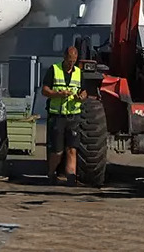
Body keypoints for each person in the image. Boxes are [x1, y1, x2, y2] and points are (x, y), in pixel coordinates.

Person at [41, 44, 86, 183]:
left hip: (73, 116)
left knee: (72, 149)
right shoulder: (54, 70)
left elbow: (84, 91)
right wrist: (58, 94)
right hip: (57, 116)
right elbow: (44, 90)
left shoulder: (79, 73)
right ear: (64, 58)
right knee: (57, 151)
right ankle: (51, 173)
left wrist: (81, 97)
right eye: (69, 61)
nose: (71, 64)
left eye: (73, 61)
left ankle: (71, 177)